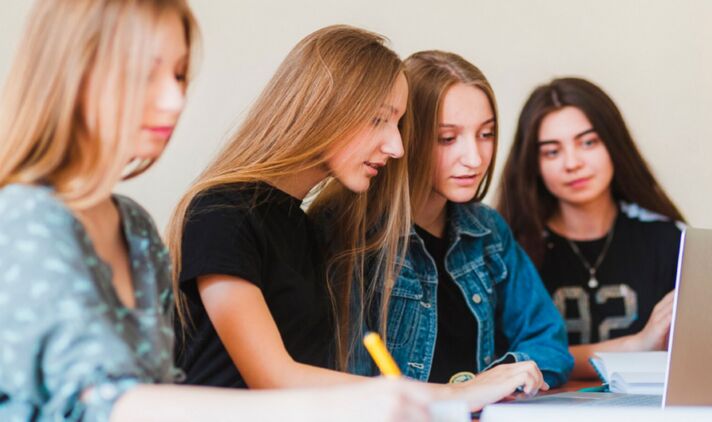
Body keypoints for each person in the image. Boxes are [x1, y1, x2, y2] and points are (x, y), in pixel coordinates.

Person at [0, 2, 432, 420]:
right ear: (73, 74)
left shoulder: (135, 228)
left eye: (179, 75)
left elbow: (162, 388)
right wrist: (367, 402)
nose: (175, 99)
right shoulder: (23, 221)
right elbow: (105, 405)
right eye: (147, 72)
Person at [169, 27, 546, 409]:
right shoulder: (221, 214)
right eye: (379, 120)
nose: (397, 147)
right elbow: (273, 378)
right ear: (323, 110)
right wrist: (459, 393)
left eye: (398, 124)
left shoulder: (301, 225)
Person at [497, 77, 712, 379]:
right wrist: (638, 345)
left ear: (613, 144)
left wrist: (691, 339)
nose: (572, 163)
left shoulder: (666, 238)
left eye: (588, 142)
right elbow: (505, 360)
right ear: (533, 163)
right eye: (552, 151)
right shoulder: (511, 247)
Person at [347, 50, 572, 387]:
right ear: (404, 135)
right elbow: (346, 376)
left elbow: (550, 343)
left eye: (486, 134)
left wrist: (509, 373)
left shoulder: (488, 231)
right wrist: (468, 392)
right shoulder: (356, 236)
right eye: (448, 138)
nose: (475, 159)